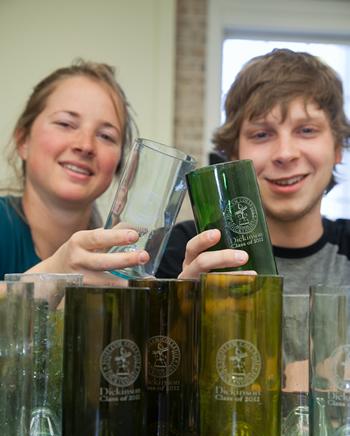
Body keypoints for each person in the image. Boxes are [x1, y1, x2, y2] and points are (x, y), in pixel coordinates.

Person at [0, 59, 246, 283]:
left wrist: (179, 303)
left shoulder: (123, 262)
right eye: (65, 124)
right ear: (23, 139)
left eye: (106, 136)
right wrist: (51, 275)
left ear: (120, 163)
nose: (85, 145)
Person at [158, 48, 350, 292]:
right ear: (234, 154)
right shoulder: (184, 249)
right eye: (262, 134)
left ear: (337, 148)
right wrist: (185, 304)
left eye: (307, 130)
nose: (285, 153)